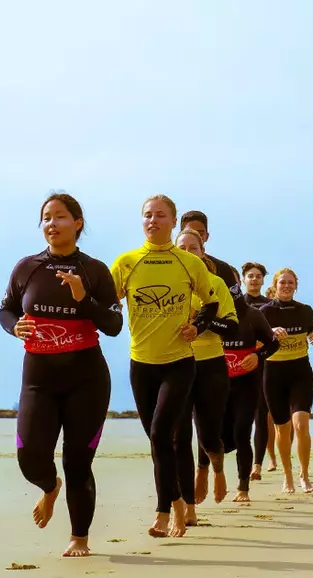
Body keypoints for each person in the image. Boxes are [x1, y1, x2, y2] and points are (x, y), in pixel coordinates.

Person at [0, 193, 123, 558]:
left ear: (78, 223)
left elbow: (114, 325)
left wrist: (84, 299)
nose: (52, 224)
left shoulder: (94, 270)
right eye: (46, 218)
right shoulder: (27, 268)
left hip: (87, 378)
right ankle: (50, 486)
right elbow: (6, 310)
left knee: (77, 461)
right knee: (30, 458)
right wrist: (14, 327)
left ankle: (79, 538)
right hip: (39, 377)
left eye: (60, 217)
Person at [111, 194, 227, 538]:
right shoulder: (126, 262)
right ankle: (178, 502)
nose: (153, 220)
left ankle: (162, 511)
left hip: (179, 363)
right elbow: (105, 302)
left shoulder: (189, 263)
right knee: (157, 440)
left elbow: (213, 302)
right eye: (147, 215)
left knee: (163, 434)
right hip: (141, 365)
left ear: (173, 222)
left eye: (160, 215)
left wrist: (198, 327)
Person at [175, 228, 238, 514]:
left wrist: (202, 321)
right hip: (174, 363)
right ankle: (187, 505)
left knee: (209, 436)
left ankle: (215, 467)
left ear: (203, 254)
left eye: (194, 248)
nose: (188, 253)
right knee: (178, 436)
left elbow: (232, 327)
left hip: (210, 364)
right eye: (182, 248)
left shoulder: (215, 284)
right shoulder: (169, 284)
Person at [260, 268, 313, 493]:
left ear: (296, 285)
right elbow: (256, 338)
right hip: (273, 373)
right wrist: (270, 331)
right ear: (275, 285)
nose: (286, 286)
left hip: (300, 372)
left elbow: (312, 331)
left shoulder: (305, 310)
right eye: (282, 282)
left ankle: (304, 475)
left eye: (290, 283)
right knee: (282, 429)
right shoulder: (265, 311)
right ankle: (287, 475)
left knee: (301, 424)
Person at [220, 282, 279, 502]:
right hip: (218, 383)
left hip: (247, 382)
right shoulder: (212, 314)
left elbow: (273, 344)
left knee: (242, 431)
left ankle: (243, 486)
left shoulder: (252, 315)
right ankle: (215, 470)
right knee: (219, 438)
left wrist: (258, 356)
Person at [241, 262, 278, 478]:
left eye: (258, 276)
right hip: (237, 364)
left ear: (263, 280)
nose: (254, 280)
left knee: (261, 414)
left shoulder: (270, 305)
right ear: (244, 279)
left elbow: (275, 337)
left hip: (264, 364)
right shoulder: (236, 304)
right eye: (250, 276)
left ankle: (257, 464)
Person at [180, 210, 237, 287]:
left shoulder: (222, 269)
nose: (195, 236)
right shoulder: (166, 264)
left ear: (207, 236)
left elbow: (237, 299)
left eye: (200, 233)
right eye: (190, 232)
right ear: (180, 235)